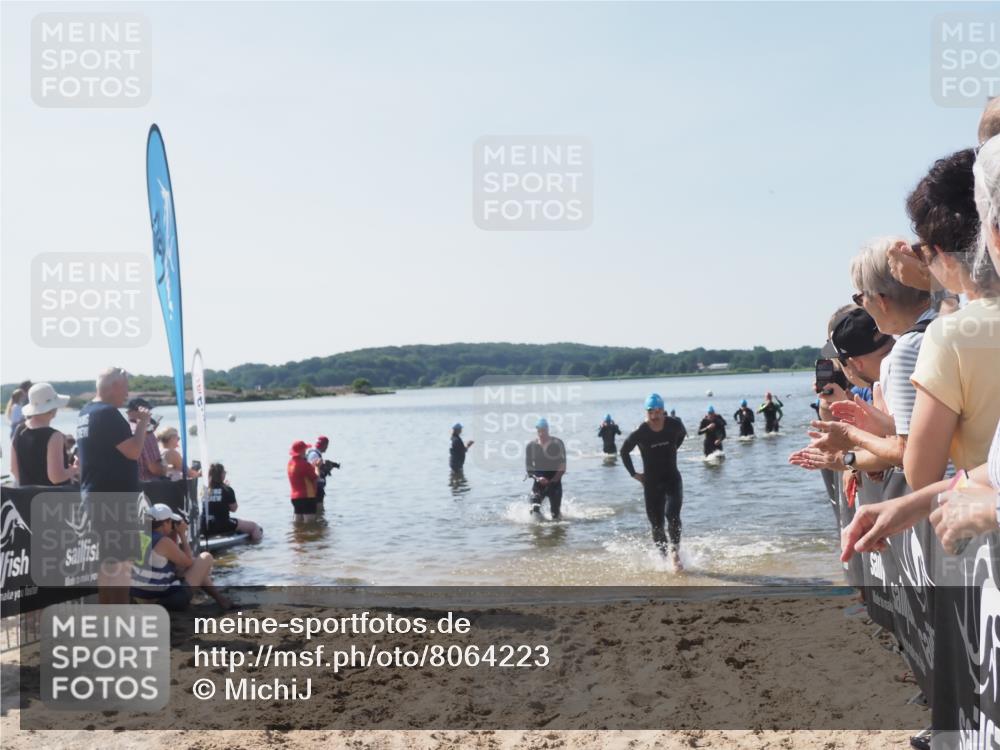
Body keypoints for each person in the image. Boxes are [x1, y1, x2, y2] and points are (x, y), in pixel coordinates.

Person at [902, 148, 1000, 490]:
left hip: (988, 528)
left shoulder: (951, 336)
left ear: (942, 252)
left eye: (923, 251)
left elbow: (921, 474)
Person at [77, 367, 150, 604]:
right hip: (115, 500)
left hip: (96, 497)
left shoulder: (85, 411)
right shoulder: (108, 413)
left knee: (108, 565)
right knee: (121, 567)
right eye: (126, 389)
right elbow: (133, 451)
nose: (127, 395)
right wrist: (143, 424)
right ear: (115, 387)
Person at [620, 393, 687, 570]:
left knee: (672, 516)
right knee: (656, 525)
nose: (655, 416)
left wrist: (673, 447)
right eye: (651, 412)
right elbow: (624, 451)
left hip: (672, 479)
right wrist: (634, 474)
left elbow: (682, 434)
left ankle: (675, 551)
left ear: (663, 411)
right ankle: (664, 558)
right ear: (647, 412)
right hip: (651, 483)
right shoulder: (641, 431)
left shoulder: (674, 425)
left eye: (658, 411)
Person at [131, 503, 231, 610]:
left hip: (138, 597)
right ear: (165, 523)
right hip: (164, 601)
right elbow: (188, 562)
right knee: (205, 558)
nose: (172, 525)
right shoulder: (163, 542)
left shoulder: (138, 536)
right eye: (171, 522)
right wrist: (182, 535)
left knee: (188, 566)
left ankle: (221, 599)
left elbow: (173, 561)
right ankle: (221, 600)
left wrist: (173, 534)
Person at [10, 383, 78, 487]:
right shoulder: (54, 436)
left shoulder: (19, 429)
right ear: (52, 409)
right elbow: (56, 477)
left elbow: (14, 469)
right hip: (50, 500)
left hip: (26, 498)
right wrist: (74, 469)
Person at [204, 463, 263, 541]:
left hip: (205, 525)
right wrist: (226, 488)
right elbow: (234, 509)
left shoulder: (204, 490)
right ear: (221, 475)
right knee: (255, 527)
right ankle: (255, 546)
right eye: (224, 472)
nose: (225, 474)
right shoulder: (227, 489)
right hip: (223, 524)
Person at [524, 418, 566, 520]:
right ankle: (540, 528)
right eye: (539, 431)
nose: (541, 433)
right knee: (534, 506)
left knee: (555, 515)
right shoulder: (531, 446)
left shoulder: (558, 443)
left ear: (548, 430)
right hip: (538, 483)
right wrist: (537, 478)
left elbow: (563, 467)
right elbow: (529, 467)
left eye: (544, 430)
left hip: (554, 484)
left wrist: (551, 481)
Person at [127, 398, 165, 482]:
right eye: (148, 411)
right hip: (149, 486)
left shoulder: (123, 430)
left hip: (131, 485)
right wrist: (171, 470)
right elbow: (154, 468)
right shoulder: (146, 433)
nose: (150, 414)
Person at [287, 440, 318, 522]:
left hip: (295, 498)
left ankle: (297, 535)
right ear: (301, 451)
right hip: (307, 497)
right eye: (305, 450)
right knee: (310, 524)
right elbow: (315, 477)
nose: (305, 452)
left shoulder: (290, 463)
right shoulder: (304, 464)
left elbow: (300, 475)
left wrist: (311, 467)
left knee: (298, 523)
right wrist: (317, 467)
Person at [306, 435, 339, 507]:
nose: (327, 447)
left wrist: (325, 470)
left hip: (315, 487)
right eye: (327, 445)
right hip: (315, 488)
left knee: (319, 515)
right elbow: (314, 470)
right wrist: (324, 470)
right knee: (318, 511)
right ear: (324, 445)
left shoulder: (313, 453)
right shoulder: (314, 455)